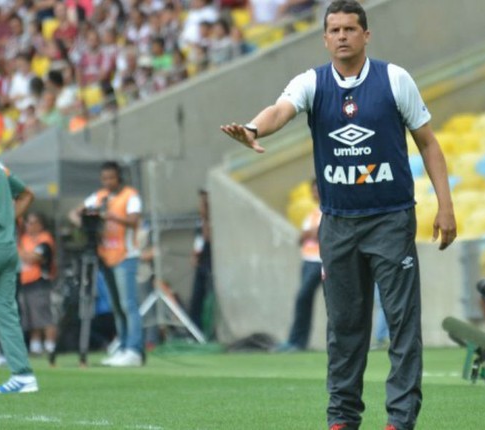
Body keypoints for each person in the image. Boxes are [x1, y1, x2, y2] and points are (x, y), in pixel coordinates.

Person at [220, 2, 457, 428]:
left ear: (367, 35)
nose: (343, 35)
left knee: (402, 326)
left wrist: (446, 204)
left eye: (351, 28)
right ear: (325, 38)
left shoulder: (395, 79)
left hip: (390, 219)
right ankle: (342, 420)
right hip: (338, 224)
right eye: (335, 29)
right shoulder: (311, 82)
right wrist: (253, 129)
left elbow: (429, 143)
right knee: (345, 330)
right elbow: (280, 111)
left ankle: (399, 421)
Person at [69, 161, 144, 367]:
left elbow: (134, 220)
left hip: (125, 255)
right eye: (104, 178)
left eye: (111, 177)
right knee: (116, 306)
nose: (108, 182)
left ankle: (134, 349)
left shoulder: (130, 195)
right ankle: (123, 347)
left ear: (119, 177)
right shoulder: (99, 196)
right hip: (105, 255)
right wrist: (86, 224)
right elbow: (74, 213)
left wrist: (112, 216)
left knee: (129, 304)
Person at [0, 160, 37, 393]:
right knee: (6, 311)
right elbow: (26, 194)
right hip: (7, 247)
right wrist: (6, 223)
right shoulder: (0, 167)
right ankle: (23, 376)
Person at [278, 179, 323, 352]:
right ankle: (296, 342)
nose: (315, 193)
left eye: (317, 189)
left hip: (324, 261)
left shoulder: (330, 210)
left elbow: (322, 233)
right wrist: (310, 233)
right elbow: (301, 238)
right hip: (309, 261)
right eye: (313, 190)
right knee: (303, 300)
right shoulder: (312, 214)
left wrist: (312, 233)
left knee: (332, 303)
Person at [17, 212, 57, 356]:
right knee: (30, 317)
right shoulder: (24, 239)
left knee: (43, 315)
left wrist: (17, 249)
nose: (29, 226)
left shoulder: (45, 239)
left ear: (40, 224)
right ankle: (35, 346)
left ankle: (50, 346)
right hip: (24, 281)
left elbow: (36, 257)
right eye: (28, 223)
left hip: (40, 282)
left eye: (33, 223)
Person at [189, 189, 213, 334]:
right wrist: (194, 255)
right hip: (201, 264)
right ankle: (195, 331)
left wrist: (206, 219)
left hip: (210, 265)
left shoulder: (211, 222)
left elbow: (208, 237)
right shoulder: (200, 221)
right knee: (196, 299)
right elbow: (199, 241)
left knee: (210, 300)